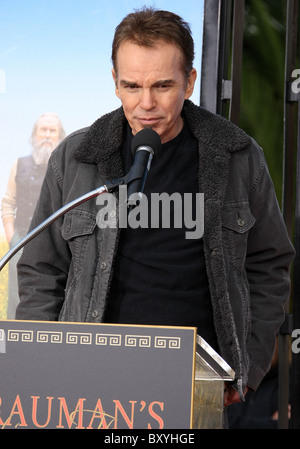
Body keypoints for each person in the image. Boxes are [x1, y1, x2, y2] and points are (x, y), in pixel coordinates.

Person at [15, 7, 294, 410]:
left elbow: (269, 264)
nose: (146, 103)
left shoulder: (237, 157)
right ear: (114, 82)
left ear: (190, 81)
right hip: (91, 380)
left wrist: (244, 369)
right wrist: (44, 365)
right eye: (131, 86)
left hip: (196, 384)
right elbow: (42, 269)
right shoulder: (76, 158)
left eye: (163, 86)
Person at [1, 113, 65, 318]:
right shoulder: (18, 165)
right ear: (34, 135)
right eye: (42, 130)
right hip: (21, 239)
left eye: (52, 131)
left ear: (60, 136)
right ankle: (13, 347)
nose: (47, 135)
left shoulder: (67, 167)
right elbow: (8, 204)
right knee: (17, 295)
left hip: (57, 241)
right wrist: (13, 239)